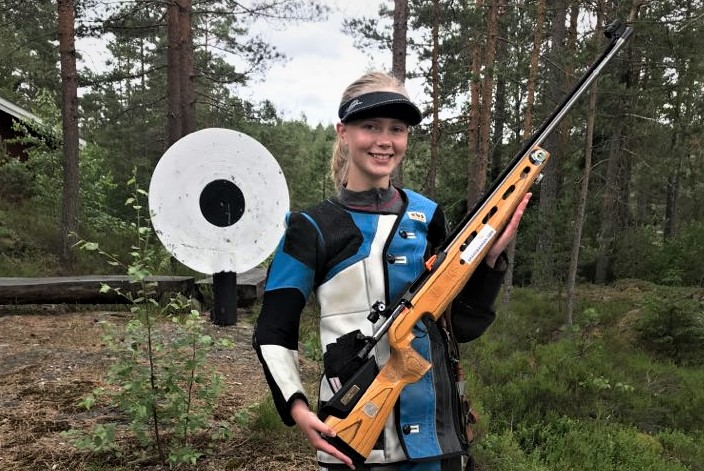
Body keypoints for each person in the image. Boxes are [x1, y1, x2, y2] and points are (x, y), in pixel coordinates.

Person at [252, 71, 531, 471]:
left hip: (438, 442)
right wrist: (297, 407)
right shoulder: (310, 227)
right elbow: (273, 330)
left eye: (396, 129)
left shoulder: (429, 216)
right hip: (352, 441)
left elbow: (460, 327)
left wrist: (490, 263)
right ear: (343, 132)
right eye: (370, 126)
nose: (385, 140)